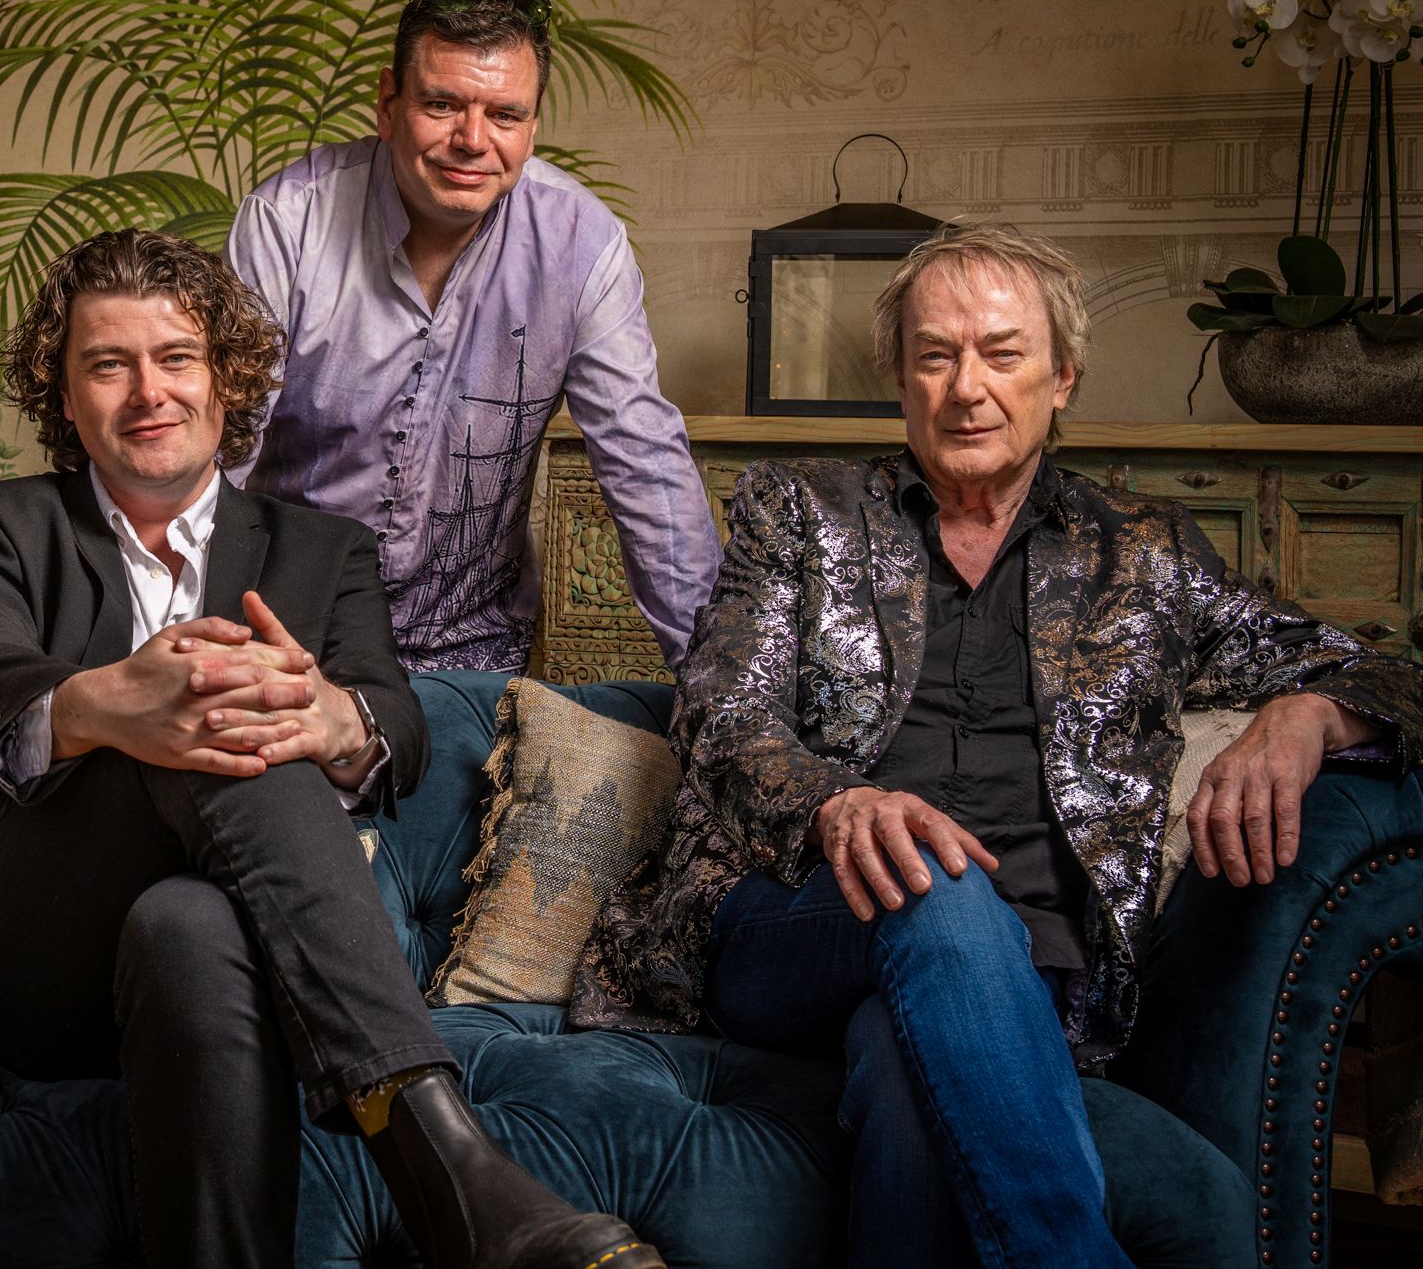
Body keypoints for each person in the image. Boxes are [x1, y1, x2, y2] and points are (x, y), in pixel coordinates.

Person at [0, 230, 661, 1269]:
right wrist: (113, 704)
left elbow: (397, 723)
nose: (149, 391)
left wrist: (331, 717)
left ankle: (429, 1176)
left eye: (177, 357)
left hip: (215, 956)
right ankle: (449, 1166)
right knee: (222, 715)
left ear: (225, 379)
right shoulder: (0, 524)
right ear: (65, 398)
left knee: (189, 919)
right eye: (109, 364)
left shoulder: (324, 550)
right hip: (13, 937)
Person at [570, 223, 1423, 1266]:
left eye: (1001, 354)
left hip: (1032, 973)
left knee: (905, 1060)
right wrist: (838, 803)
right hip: (796, 921)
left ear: (1061, 377)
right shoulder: (799, 511)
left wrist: (1304, 715)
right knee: (933, 880)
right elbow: (722, 712)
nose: (965, 388)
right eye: (934, 356)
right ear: (899, 376)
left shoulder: (1143, 554)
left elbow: (1382, 672)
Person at [226, 0, 718, 672]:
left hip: (476, 651)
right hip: (287, 637)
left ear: (533, 126)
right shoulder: (286, 224)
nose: (473, 140)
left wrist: (721, 688)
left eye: (505, 115)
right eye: (442, 104)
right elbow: (218, 448)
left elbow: (646, 466)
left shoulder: (583, 245)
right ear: (388, 104)